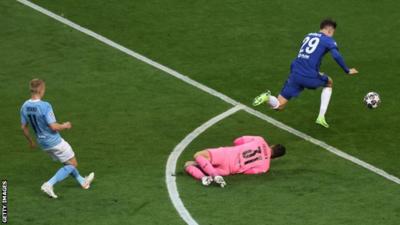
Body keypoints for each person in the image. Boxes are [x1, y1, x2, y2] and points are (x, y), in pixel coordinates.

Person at [253, 18, 358, 128]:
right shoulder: (328, 40)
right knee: (329, 82)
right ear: (329, 30)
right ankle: (321, 117)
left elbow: (307, 55)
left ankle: (268, 97)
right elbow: (336, 55)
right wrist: (347, 70)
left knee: (279, 105)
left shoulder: (308, 36)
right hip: (308, 75)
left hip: (295, 73)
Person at [20, 79, 94, 198]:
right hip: (54, 141)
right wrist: (65, 125)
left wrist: (31, 142)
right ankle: (49, 184)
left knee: (67, 162)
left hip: (42, 143)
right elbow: (53, 126)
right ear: (40, 90)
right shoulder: (45, 106)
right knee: (73, 164)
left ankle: (83, 182)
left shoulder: (24, 106)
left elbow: (23, 127)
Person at [184, 135, 285, 187]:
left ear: (273, 145)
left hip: (226, 154)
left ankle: (212, 175)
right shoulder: (265, 167)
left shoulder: (260, 140)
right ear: (276, 157)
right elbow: (247, 172)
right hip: (229, 170)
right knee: (189, 164)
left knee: (198, 155)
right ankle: (205, 178)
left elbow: (237, 141)